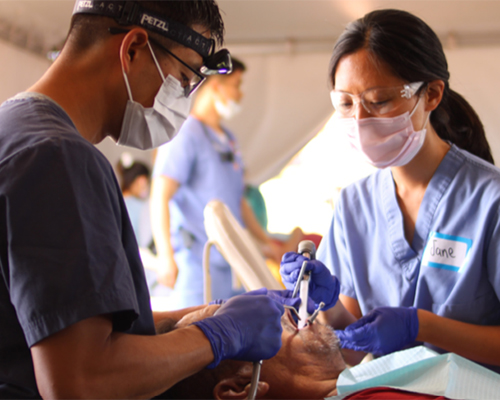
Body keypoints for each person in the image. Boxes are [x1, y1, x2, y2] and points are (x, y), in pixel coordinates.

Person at [0, 1, 287, 398]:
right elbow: (81, 381)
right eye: (184, 78)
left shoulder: (13, 130)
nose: (182, 102)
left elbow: (65, 327)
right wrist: (217, 335)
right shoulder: (59, 158)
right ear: (133, 48)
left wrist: (196, 318)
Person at [280, 8, 500, 372]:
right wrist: (327, 304)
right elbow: (351, 347)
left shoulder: (489, 201)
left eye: (379, 101)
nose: (360, 121)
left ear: (430, 95)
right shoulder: (354, 205)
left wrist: (422, 326)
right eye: (346, 104)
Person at [151, 57, 282, 307]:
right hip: (197, 262)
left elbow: (238, 200)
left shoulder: (228, 139)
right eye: (236, 85)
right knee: (193, 335)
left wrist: (266, 242)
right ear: (215, 87)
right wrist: (166, 255)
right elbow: (160, 195)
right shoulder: (186, 134)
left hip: (231, 260)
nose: (240, 94)